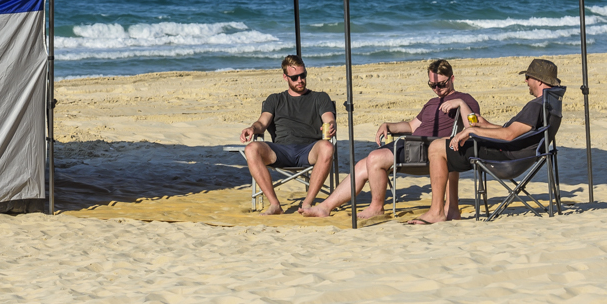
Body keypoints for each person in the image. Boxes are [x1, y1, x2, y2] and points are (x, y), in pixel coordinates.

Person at [301, 59, 480, 220]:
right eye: (432, 85)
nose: (437, 89)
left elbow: (473, 126)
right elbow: (411, 126)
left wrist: (460, 104)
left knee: (375, 158)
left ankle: (376, 207)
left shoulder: (465, 99)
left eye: (441, 84)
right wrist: (389, 125)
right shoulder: (431, 103)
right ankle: (325, 207)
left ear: (452, 78)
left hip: (428, 149)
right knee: (361, 166)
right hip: (411, 143)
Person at [412, 58, 566, 224]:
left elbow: (508, 135)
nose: (526, 81)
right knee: (446, 146)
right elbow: (512, 132)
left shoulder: (536, 106)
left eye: (528, 77)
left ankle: (437, 211)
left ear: (539, 80)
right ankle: (452, 209)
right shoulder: (548, 104)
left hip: (505, 158)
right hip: (516, 155)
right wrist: (485, 125)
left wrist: (471, 130)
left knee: (437, 147)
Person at [238, 56, 336, 215]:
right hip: (280, 150)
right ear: (285, 77)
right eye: (295, 77)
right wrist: (252, 128)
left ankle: (307, 203)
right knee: (251, 148)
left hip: (309, 150)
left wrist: (331, 126)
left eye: (303, 75)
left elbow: (329, 118)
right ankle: (274, 204)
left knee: (327, 146)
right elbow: (262, 123)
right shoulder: (275, 99)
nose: (300, 80)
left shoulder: (320, 97)